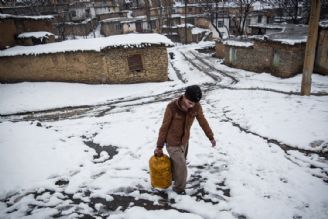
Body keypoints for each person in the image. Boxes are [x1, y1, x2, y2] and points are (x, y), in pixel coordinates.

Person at [154, 85, 216, 194]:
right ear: (184, 97)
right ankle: (179, 190)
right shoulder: (171, 107)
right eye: (189, 103)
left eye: (194, 104)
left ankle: (172, 178)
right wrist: (159, 146)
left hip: (184, 142)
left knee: (177, 165)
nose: (191, 106)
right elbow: (164, 127)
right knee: (182, 167)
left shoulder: (196, 107)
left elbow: (203, 122)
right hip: (172, 142)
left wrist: (210, 137)